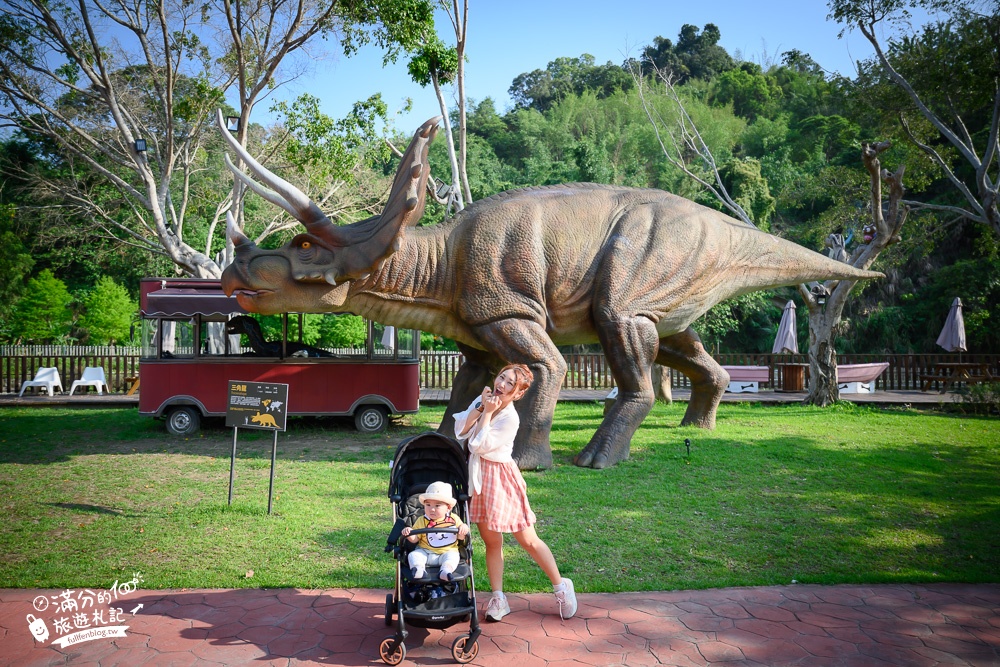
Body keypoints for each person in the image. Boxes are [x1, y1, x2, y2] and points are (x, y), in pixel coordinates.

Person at [453, 363, 578, 621]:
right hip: (478, 479)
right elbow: (460, 431)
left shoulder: (510, 418)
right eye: (502, 377)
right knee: (492, 542)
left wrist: (487, 413)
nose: (502, 385)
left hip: (501, 479)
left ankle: (561, 586)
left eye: (510, 383)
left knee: (528, 540)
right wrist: (480, 408)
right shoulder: (484, 399)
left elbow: (477, 445)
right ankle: (498, 599)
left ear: (518, 393)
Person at [401, 481, 469, 581]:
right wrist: (409, 533)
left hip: (447, 552)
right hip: (425, 552)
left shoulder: (454, 519)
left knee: (453, 557)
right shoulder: (422, 520)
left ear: (448, 508)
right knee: (414, 555)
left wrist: (463, 528)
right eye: (428, 505)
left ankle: (445, 571)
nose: (432, 509)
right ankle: (418, 569)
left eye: (437, 506)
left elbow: (460, 537)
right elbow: (415, 539)